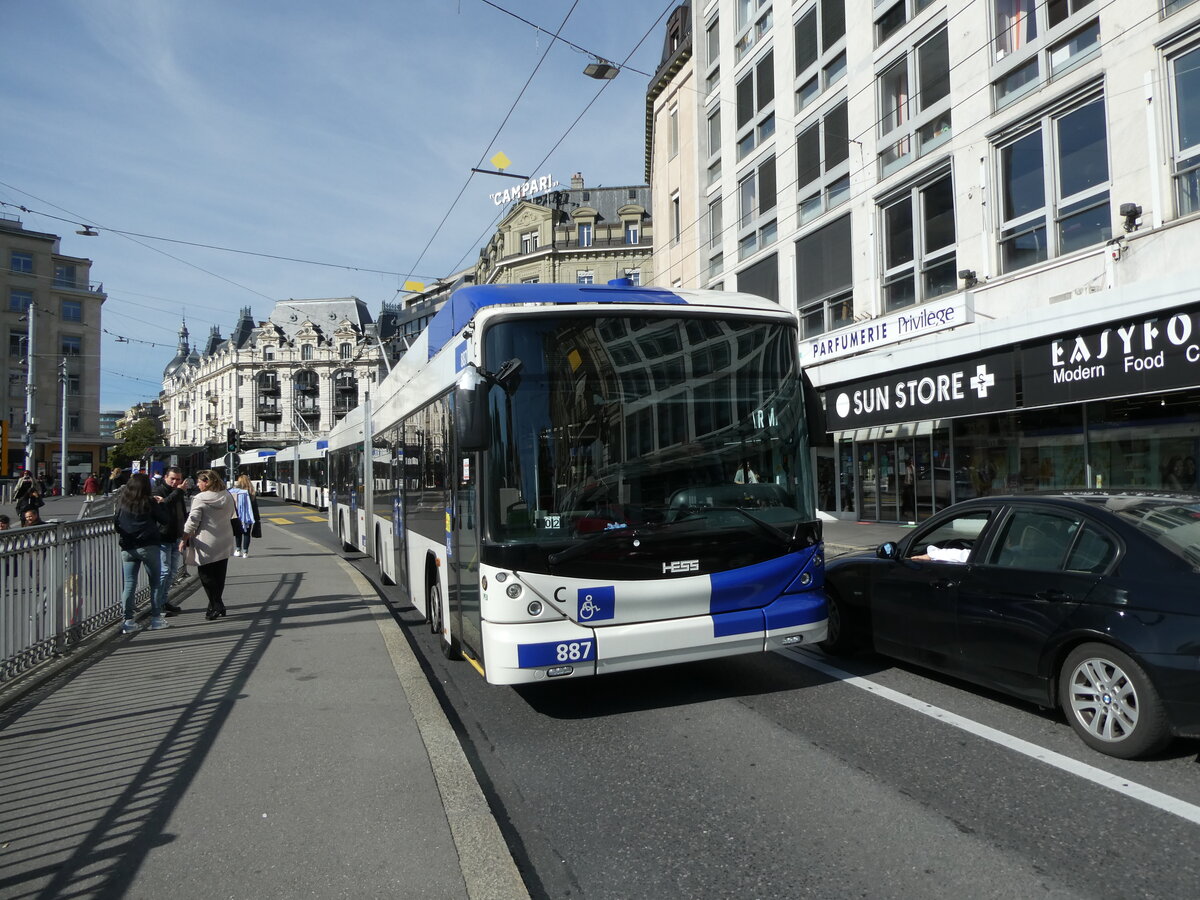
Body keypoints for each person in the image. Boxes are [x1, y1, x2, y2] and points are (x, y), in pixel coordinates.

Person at [114, 473, 172, 634]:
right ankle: (156, 619)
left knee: (129, 584)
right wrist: (161, 504)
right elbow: (165, 520)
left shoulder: (122, 503)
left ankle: (128, 621)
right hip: (148, 546)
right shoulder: (149, 502)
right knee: (155, 583)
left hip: (128, 547)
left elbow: (116, 524)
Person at [179, 469, 235, 620]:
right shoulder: (227, 495)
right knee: (219, 574)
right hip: (225, 538)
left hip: (206, 541)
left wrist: (184, 538)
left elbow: (193, 521)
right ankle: (214, 606)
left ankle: (216, 605)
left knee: (205, 575)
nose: (197, 484)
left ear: (207, 482)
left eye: (199, 481)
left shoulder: (200, 498)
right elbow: (231, 514)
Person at [153, 466, 190, 616]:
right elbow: (162, 506)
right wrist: (178, 491)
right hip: (162, 537)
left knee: (172, 572)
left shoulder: (178, 493)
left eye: (178, 479)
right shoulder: (158, 491)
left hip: (176, 536)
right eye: (172, 479)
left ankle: (163, 600)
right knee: (164, 572)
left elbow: (180, 511)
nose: (175, 482)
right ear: (165, 478)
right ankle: (157, 606)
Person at [229, 474, 260, 558]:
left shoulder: (235, 492)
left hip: (238, 515)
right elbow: (254, 507)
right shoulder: (251, 492)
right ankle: (245, 552)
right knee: (247, 534)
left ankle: (238, 549)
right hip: (248, 516)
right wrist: (257, 518)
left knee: (238, 533)